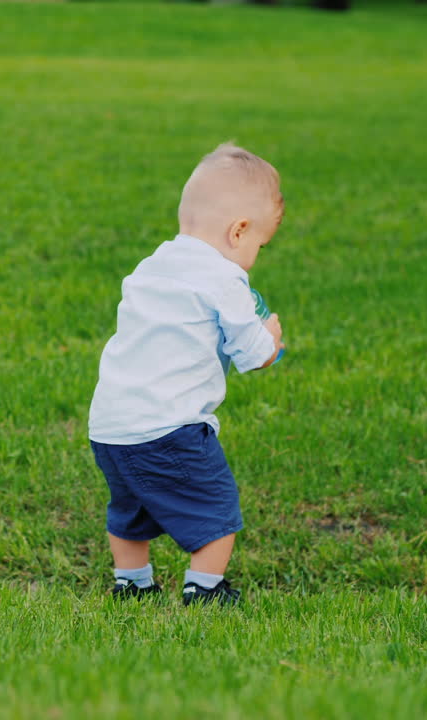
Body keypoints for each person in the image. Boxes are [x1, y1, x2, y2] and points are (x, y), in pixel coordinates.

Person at [87, 142, 285, 606]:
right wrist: (270, 338)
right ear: (239, 231)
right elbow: (254, 355)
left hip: (111, 426)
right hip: (169, 426)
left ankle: (132, 585)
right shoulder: (224, 277)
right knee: (217, 509)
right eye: (260, 243)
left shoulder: (154, 264)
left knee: (129, 510)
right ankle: (205, 590)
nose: (256, 254)